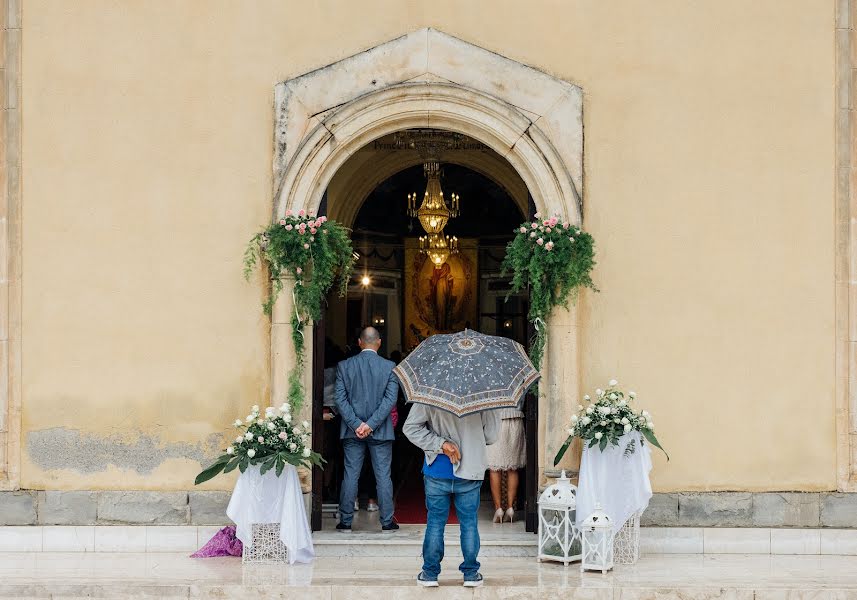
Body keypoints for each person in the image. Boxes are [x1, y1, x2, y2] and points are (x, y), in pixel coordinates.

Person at [403, 403, 500, 588]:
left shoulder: (431, 390)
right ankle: (471, 574)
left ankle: (430, 574)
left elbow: (410, 428)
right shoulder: (484, 393)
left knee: (435, 522)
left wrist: (441, 444)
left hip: (437, 469)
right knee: (469, 523)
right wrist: (470, 437)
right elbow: (491, 435)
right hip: (470, 467)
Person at [334, 327, 399, 532]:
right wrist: (370, 425)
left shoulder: (345, 366)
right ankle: (387, 521)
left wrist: (357, 424)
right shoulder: (390, 367)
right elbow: (390, 400)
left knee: (350, 474)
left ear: (360, 343)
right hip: (380, 430)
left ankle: (345, 521)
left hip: (353, 431)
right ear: (379, 342)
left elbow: (339, 399)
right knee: (383, 476)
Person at [485, 407, 526, 523]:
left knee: (494, 468)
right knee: (512, 468)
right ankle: (510, 508)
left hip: (495, 422)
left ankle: (498, 509)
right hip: (516, 420)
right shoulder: (514, 388)